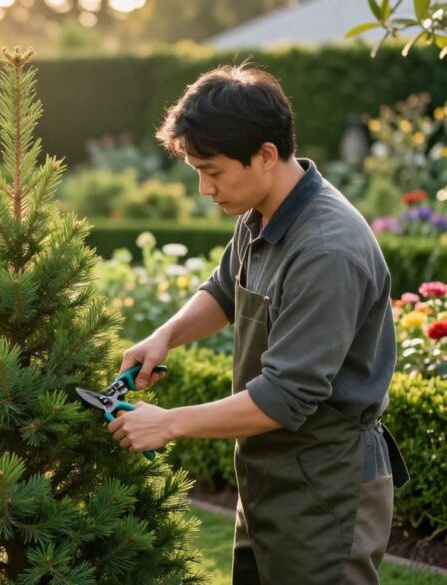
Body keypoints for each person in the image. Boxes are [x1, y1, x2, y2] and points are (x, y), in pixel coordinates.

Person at [107, 64, 410, 584]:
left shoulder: (326, 250)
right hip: (270, 474)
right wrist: (166, 335)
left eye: (213, 170)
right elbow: (225, 290)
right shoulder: (262, 212)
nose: (204, 188)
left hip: (325, 487)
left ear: (266, 155)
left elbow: (287, 395)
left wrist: (169, 422)